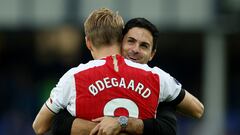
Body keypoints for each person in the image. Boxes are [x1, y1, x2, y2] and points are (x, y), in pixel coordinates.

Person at [32, 8, 204, 135]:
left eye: (144, 45)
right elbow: (197, 110)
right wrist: (166, 104)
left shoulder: (73, 78)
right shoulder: (158, 78)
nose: (136, 50)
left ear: (88, 42)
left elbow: (39, 127)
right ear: (121, 39)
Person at [52, 17, 180, 135]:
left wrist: (121, 123)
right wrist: (115, 127)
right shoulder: (85, 78)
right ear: (120, 43)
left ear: (152, 54)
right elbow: (58, 124)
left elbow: (169, 129)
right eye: (131, 41)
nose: (135, 50)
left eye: (144, 46)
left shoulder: (158, 84)